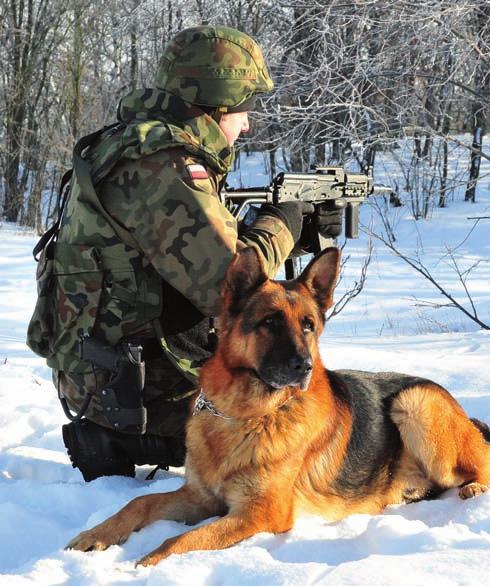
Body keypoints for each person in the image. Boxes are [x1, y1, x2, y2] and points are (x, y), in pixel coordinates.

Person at [26, 25, 344, 481]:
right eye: (243, 110)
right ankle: (130, 436)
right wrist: (283, 225)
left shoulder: (128, 145)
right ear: (216, 107)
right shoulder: (165, 165)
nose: (247, 124)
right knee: (299, 415)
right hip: (130, 393)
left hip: (103, 373)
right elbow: (228, 290)